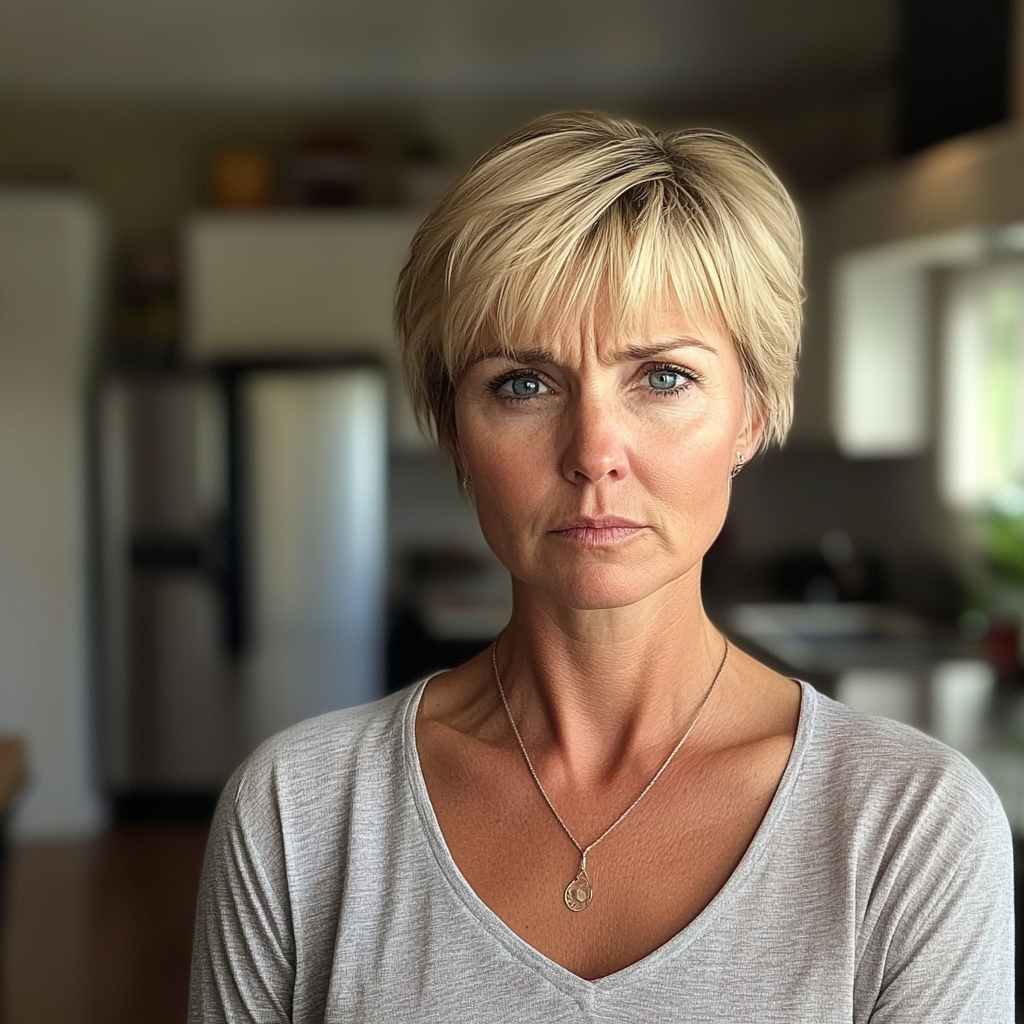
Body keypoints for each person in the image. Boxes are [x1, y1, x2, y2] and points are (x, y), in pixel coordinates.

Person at [189, 112, 1014, 1022]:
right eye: (523, 383)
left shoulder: (911, 828)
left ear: (752, 413)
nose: (593, 452)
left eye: (661, 377)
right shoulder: (298, 815)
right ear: (452, 427)